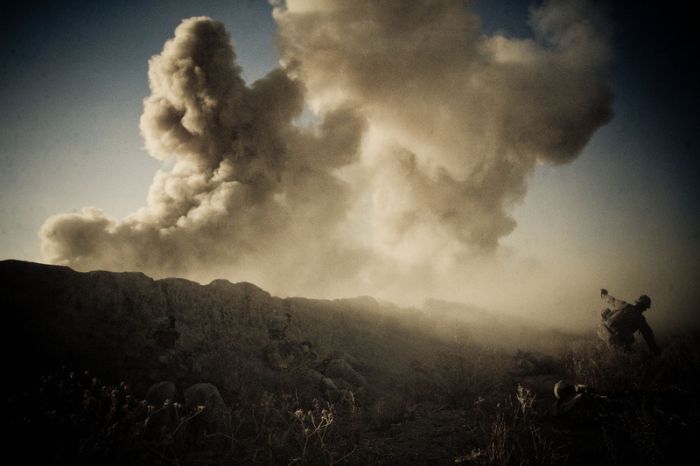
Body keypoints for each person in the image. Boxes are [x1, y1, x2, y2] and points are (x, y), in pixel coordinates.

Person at [597, 289, 660, 355]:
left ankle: (601, 348)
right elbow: (649, 337)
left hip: (601, 329)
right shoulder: (640, 319)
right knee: (636, 358)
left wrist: (604, 295)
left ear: (637, 302)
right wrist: (656, 352)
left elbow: (612, 300)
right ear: (645, 308)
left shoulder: (623, 304)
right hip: (614, 339)